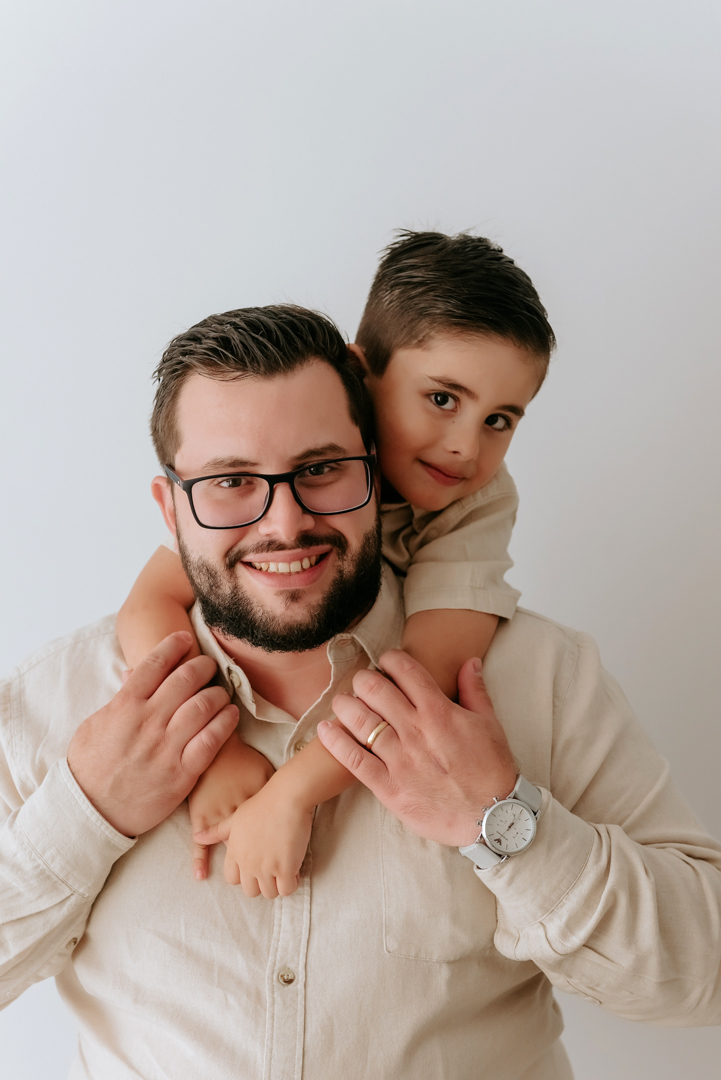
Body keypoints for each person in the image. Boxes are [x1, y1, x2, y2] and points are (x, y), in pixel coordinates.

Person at [1, 305, 720, 1080]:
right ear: (169, 507)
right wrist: (87, 812)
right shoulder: (60, 698)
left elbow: (705, 977)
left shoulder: (542, 679)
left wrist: (502, 823)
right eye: (232, 481)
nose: (284, 523)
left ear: (376, 471)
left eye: (320, 470)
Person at [116, 231, 551, 886]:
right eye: (442, 399)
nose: (465, 447)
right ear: (361, 374)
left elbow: (422, 681)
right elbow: (149, 603)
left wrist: (291, 794)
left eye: (499, 420)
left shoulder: (475, 503)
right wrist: (217, 752)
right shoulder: (282, 465)